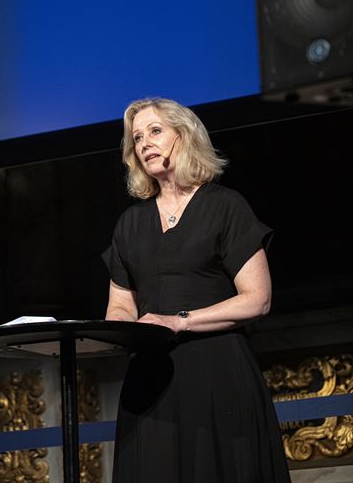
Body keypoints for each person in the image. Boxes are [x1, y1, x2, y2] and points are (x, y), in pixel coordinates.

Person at [103, 97, 291, 483]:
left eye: (155, 131)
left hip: (217, 375)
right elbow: (120, 307)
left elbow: (258, 299)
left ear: (184, 136)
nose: (144, 144)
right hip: (151, 383)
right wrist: (119, 329)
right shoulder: (129, 224)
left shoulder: (225, 207)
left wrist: (178, 322)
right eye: (137, 138)